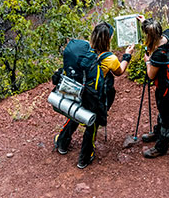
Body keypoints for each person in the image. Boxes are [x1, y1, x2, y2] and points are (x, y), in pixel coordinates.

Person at [54, 22, 134, 169]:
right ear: (108, 39)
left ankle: (62, 143)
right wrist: (127, 55)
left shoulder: (85, 49)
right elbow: (119, 71)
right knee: (92, 123)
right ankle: (84, 157)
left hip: (78, 90)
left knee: (75, 115)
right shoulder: (110, 59)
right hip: (94, 95)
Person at [138, 15, 169, 158]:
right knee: (162, 108)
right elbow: (155, 32)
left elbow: (151, 75)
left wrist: (148, 61)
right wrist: (145, 22)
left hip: (165, 86)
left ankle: (162, 145)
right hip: (168, 82)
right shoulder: (168, 36)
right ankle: (158, 131)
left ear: (150, 36)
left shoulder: (158, 55)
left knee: (165, 112)